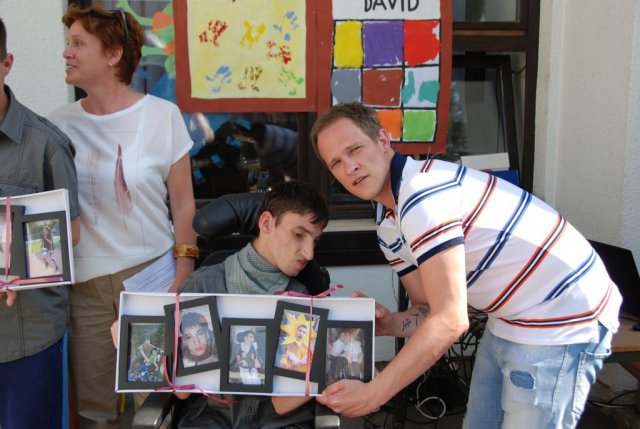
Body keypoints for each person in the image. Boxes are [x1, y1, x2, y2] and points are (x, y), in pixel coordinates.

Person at [311, 102, 623, 428]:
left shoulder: (422, 194)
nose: (350, 167)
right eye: (336, 162)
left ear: (383, 140)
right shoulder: (387, 223)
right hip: (507, 318)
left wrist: (373, 394)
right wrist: (390, 324)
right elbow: (429, 310)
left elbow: (450, 320)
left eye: (355, 149)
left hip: (562, 317)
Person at [47, 5, 197, 428]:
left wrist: (183, 269)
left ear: (113, 54)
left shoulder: (162, 116)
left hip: (150, 279)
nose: (67, 53)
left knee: (154, 402)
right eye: (68, 43)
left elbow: (183, 203)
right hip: (86, 289)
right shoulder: (56, 125)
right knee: (96, 410)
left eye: (79, 43)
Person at [176, 180, 329, 429]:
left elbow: (284, 401)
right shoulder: (202, 287)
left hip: (282, 421)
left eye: (315, 241)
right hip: (212, 417)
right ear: (266, 223)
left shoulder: (301, 298)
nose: (309, 253)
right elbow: (181, 390)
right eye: (299, 235)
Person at [0, 16, 80, 429]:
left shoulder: (45, 144)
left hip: (25, 337)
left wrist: (16, 268)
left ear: (6, 63)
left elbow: (70, 233)